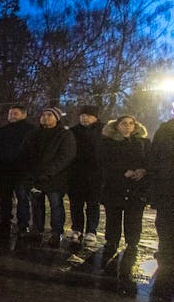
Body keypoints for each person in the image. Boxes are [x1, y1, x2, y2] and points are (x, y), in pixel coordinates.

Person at [99, 116, 150, 283]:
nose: (127, 126)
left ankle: (132, 243)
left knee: (134, 217)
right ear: (116, 126)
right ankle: (112, 241)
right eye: (123, 123)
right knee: (114, 216)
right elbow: (104, 162)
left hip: (136, 187)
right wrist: (122, 171)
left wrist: (142, 170)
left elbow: (150, 160)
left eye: (131, 123)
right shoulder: (108, 142)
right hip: (115, 186)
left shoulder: (143, 142)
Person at [23, 107, 76, 248]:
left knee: (56, 205)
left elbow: (65, 156)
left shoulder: (64, 135)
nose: (45, 117)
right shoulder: (33, 134)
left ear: (57, 118)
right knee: (36, 205)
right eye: (43, 114)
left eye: (49, 115)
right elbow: (26, 154)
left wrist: (48, 172)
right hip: (35, 177)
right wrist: (30, 172)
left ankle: (56, 232)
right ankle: (37, 229)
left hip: (55, 178)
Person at [0, 105, 36, 233]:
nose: (12, 116)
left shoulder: (31, 130)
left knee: (22, 198)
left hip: (22, 170)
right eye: (10, 114)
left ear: (24, 115)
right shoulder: (3, 130)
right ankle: (5, 221)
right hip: (4, 170)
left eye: (15, 113)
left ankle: (23, 224)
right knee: (5, 198)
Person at [67, 105, 104, 245]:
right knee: (76, 203)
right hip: (76, 173)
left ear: (95, 117)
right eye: (82, 115)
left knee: (93, 204)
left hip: (96, 174)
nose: (84, 118)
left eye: (88, 115)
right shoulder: (73, 131)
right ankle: (77, 228)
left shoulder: (103, 131)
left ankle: (91, 231)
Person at [149, 117, 174, 302]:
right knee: (165, 227)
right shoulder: (165, 129)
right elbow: (154, 157)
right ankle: (166, 263)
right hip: (167, 189)